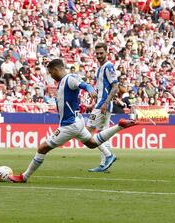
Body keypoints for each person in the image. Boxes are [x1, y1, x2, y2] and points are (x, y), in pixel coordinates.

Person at [8, 59, 137, 183]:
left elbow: (84, 85)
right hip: (77, 121)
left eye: (51, 72)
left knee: (42, 148)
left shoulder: (69, 79)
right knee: (92, 143)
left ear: (56, 69)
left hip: (69, 125)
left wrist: (90, 90)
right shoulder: (64, 81)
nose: (51, 76)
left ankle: (24, 177)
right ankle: (119, 126)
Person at [86, 42, 120, 173]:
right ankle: (103, 165)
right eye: (97, 53)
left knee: (87, 133)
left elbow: (115, 86)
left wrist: (105, 103)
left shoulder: (109, 66)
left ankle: (108, 155)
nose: (99, 56)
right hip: (100, 103)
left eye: (101, 53)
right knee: (103, 134)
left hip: (103, 105)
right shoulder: (100, 68)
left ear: (107, 52)